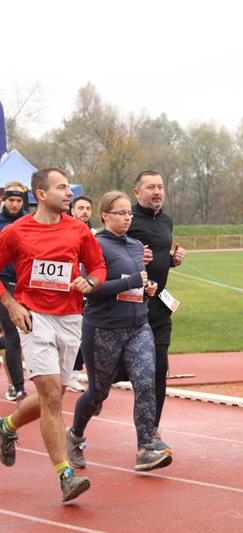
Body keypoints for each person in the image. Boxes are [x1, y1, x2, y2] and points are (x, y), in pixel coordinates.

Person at [0, 167, 106, 502]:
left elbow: (98, 267)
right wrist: (11, 304)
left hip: (70, 318)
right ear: (41, 194)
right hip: (34, 318)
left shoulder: (78, 230)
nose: (69, 193)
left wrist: (90, 282)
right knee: (50, 395)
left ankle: (6, 427)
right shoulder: (16, 232)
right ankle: (65, 475)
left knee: (55, 394)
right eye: (62, 187)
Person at [67, 191, 172, 473]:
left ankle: (145, 447)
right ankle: (75, 435)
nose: (127, 218)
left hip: (138, 325)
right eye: (120, 213)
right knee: (98, 393)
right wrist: (131, 282)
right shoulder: (94, 244)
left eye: (129, 213)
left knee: (146, 382)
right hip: (104, 328)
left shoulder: (136, 246)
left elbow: (136, 283)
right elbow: (91, 289)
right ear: (104, 216)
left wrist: (146, 289)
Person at [126, 170, 186, 448]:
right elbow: (108, 251)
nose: (157, 191)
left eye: (160, 186)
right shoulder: (128, 218)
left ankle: (152, 430)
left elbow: (159, 255)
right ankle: (78, 428)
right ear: (137, 192)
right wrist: (134, 255)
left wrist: (172, 260)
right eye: (151, 187)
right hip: (131, 305)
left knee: (159, 367)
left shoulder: (166, 220)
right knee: (111, 377)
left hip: (159, 305)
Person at [0, 182, 29, 402]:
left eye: (19, 200)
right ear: (4, 200)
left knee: (21, 333)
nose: (15, 204)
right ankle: (18, 388)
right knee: (13, 334)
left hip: (23, 283)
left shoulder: (29, 222)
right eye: (11, 200)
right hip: (3, 282)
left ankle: (16, 386)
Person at [66, 194, 95, 393]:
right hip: (68, 290)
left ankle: (74, 374)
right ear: (72, 211)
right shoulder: (66, 231)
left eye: (88, 208)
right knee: (67, 337)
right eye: (81, 208)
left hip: (88, 291)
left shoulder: (95, 234)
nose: (84, 212)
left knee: (84, 336)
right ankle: (63, 373)